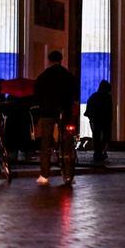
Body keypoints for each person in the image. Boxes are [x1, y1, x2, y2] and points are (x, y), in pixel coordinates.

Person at [33, 50, 78, 185]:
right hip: (65, 111)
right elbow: (75, 94)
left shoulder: (43, 76)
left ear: (49, 60)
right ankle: (68, 171)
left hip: (47, 111)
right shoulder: (68, 76)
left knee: (46, 141)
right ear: (61, 60)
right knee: (67, 138)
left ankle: (44, 174)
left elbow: (37, 94)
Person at [84, 80, 113, 165]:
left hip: (96, 120)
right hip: (104, 120)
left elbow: (89, 107)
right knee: (105, 136)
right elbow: (109, 110)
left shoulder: (94, 96)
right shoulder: (107, 97)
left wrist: (90, 116)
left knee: (97, 136)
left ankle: (98, 152)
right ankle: (100, 152)